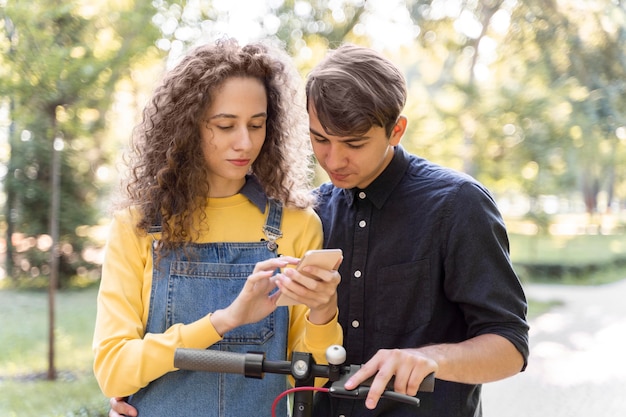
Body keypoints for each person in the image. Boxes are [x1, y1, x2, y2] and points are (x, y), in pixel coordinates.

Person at [110, 43, 530, 417]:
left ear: (396, 130)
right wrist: (148, 387)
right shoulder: (312, 213)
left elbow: (510, 346)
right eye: (320, 139)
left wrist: (431, 358)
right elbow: (298, 362)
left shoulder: (457, 204)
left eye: (354, 143)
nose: (333, 160)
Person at [92, 38, 342, 417]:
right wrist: (226, 320)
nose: (245, 142)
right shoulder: (139, 226)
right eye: (225, 125)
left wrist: (324, 311)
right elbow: (113, 371)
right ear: (188, 126)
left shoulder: (295, 224)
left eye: (257, 125)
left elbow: (306, 381)